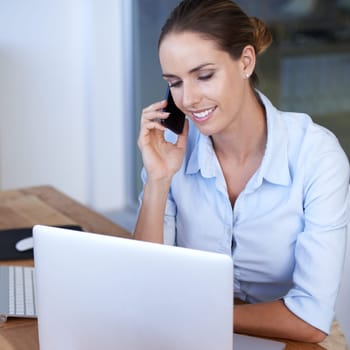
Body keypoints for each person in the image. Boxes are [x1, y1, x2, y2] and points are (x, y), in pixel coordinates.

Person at [134, 0, 350, 344]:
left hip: (288, 338)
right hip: (191, 333)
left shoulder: (316, 156)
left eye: (204, 76)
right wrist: (158, 181)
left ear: (245, 62)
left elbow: (310, 319)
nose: (188, 99)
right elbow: (143, 284)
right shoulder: (172, 149)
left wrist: (198, 315)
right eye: (174, 82)